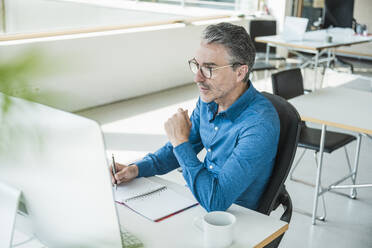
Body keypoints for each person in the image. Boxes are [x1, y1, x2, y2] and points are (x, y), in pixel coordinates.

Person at [111, 22, 280, 212]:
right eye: (196, 66)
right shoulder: (210, 100)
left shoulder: (259, 125)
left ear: (240, 72)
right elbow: (183, 147)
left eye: (209, 69)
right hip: (198, 199)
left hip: (234, 218)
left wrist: (179, 142)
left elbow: (216, 201)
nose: (197, 78)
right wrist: (136, 169)